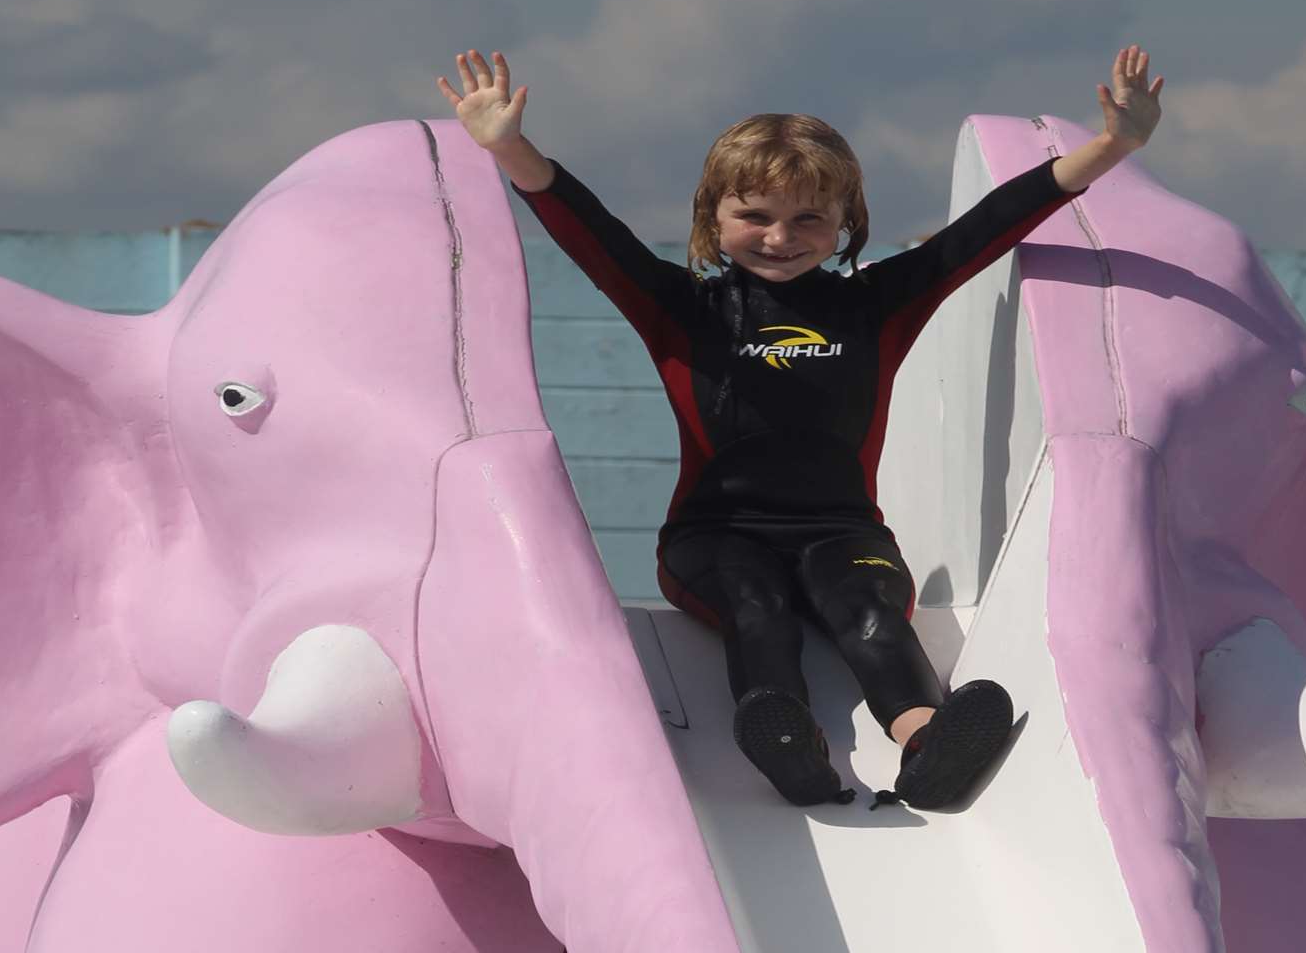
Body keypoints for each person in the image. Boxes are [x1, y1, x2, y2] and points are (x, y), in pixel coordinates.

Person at [436, 46, 1164, 808]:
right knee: (756, 608)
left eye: (808, 217)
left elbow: (986, 227)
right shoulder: (678, 308)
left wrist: (1114, 145)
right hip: (712, 540)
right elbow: (587, 228)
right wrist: (507, 146)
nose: (781, 237)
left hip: (845, 533)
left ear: (845, 222)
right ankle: (790, 743)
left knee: (872, 613)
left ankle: (926, 740)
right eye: (754, 215)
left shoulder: (875, 303)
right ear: (713, 219)